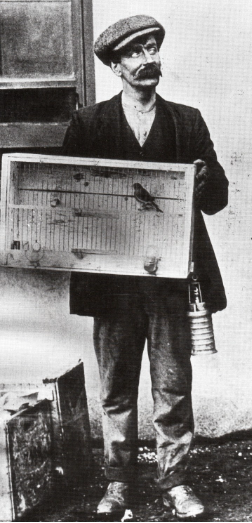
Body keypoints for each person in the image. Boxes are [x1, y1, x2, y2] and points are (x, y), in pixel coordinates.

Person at [62, 14, 228, 519]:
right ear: (115, 65)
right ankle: (118, 484)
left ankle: (175, 481)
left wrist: (203, 179)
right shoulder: (89, 124)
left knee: (173, 385)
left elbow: (217, 198)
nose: (147, 59)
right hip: (113, 282)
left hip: (174, 278)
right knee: (116, 387)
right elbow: (69, 200)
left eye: (152, 48)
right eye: (134, 52)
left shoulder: (187, 120)